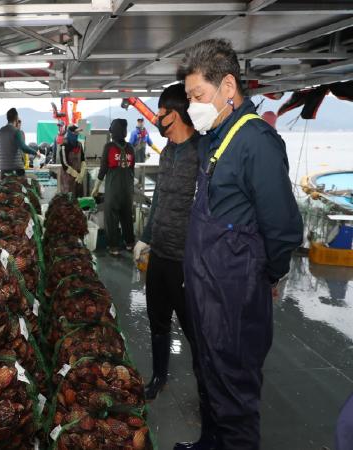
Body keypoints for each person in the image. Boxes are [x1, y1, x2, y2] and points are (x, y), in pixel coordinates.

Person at [176, 38, 303, 450]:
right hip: (206, 292)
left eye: (198, 96)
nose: (192, 106)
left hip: (234, 297)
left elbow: (282, 226)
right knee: (209, 378)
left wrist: (268, 275)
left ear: (227, 87)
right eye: (189, 97)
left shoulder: (256, 142)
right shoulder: (214, 138)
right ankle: (208, 442)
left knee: (234, 396)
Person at [132, 84, 200, 400]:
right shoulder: (169, 152)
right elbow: (158, 197)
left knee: (195, 330)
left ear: (179, 113)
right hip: (159, 253)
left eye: (162, 114)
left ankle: (208, 390)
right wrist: (145, 238)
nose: (158, 121)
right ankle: (159, 378)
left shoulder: (203, 152)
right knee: (157, 320)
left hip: (186, 260)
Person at [91, 119, 135, 256]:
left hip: (113, 189)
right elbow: (131, 169)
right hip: (127, 190)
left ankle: (114, 247)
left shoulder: (109, 147)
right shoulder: (130, 148)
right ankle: (130, 243)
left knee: (111, 217)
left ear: (113, 132)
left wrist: (96, 188)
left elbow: (103, 169)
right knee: (127, 216)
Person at [0, 108, 39, 178]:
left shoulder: (0, 132)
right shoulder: (16, 131)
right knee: (22, 184)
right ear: (16, 118)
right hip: (16, 169)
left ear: (7, 118)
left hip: (3, 170)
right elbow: (24, 148)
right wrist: (36, 153)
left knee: (5, 185)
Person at [58, 125, 87, 196]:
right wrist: (75, 174)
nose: (77, 135)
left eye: (78, 133)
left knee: (78, 197)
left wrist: (82, 173)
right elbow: (65, 164)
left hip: (78, 178)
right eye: (75, 133)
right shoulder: (64, 146)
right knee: (68, 198)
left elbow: (82, 159)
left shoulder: (79, 145)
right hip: (67, 178)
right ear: (70, 133)